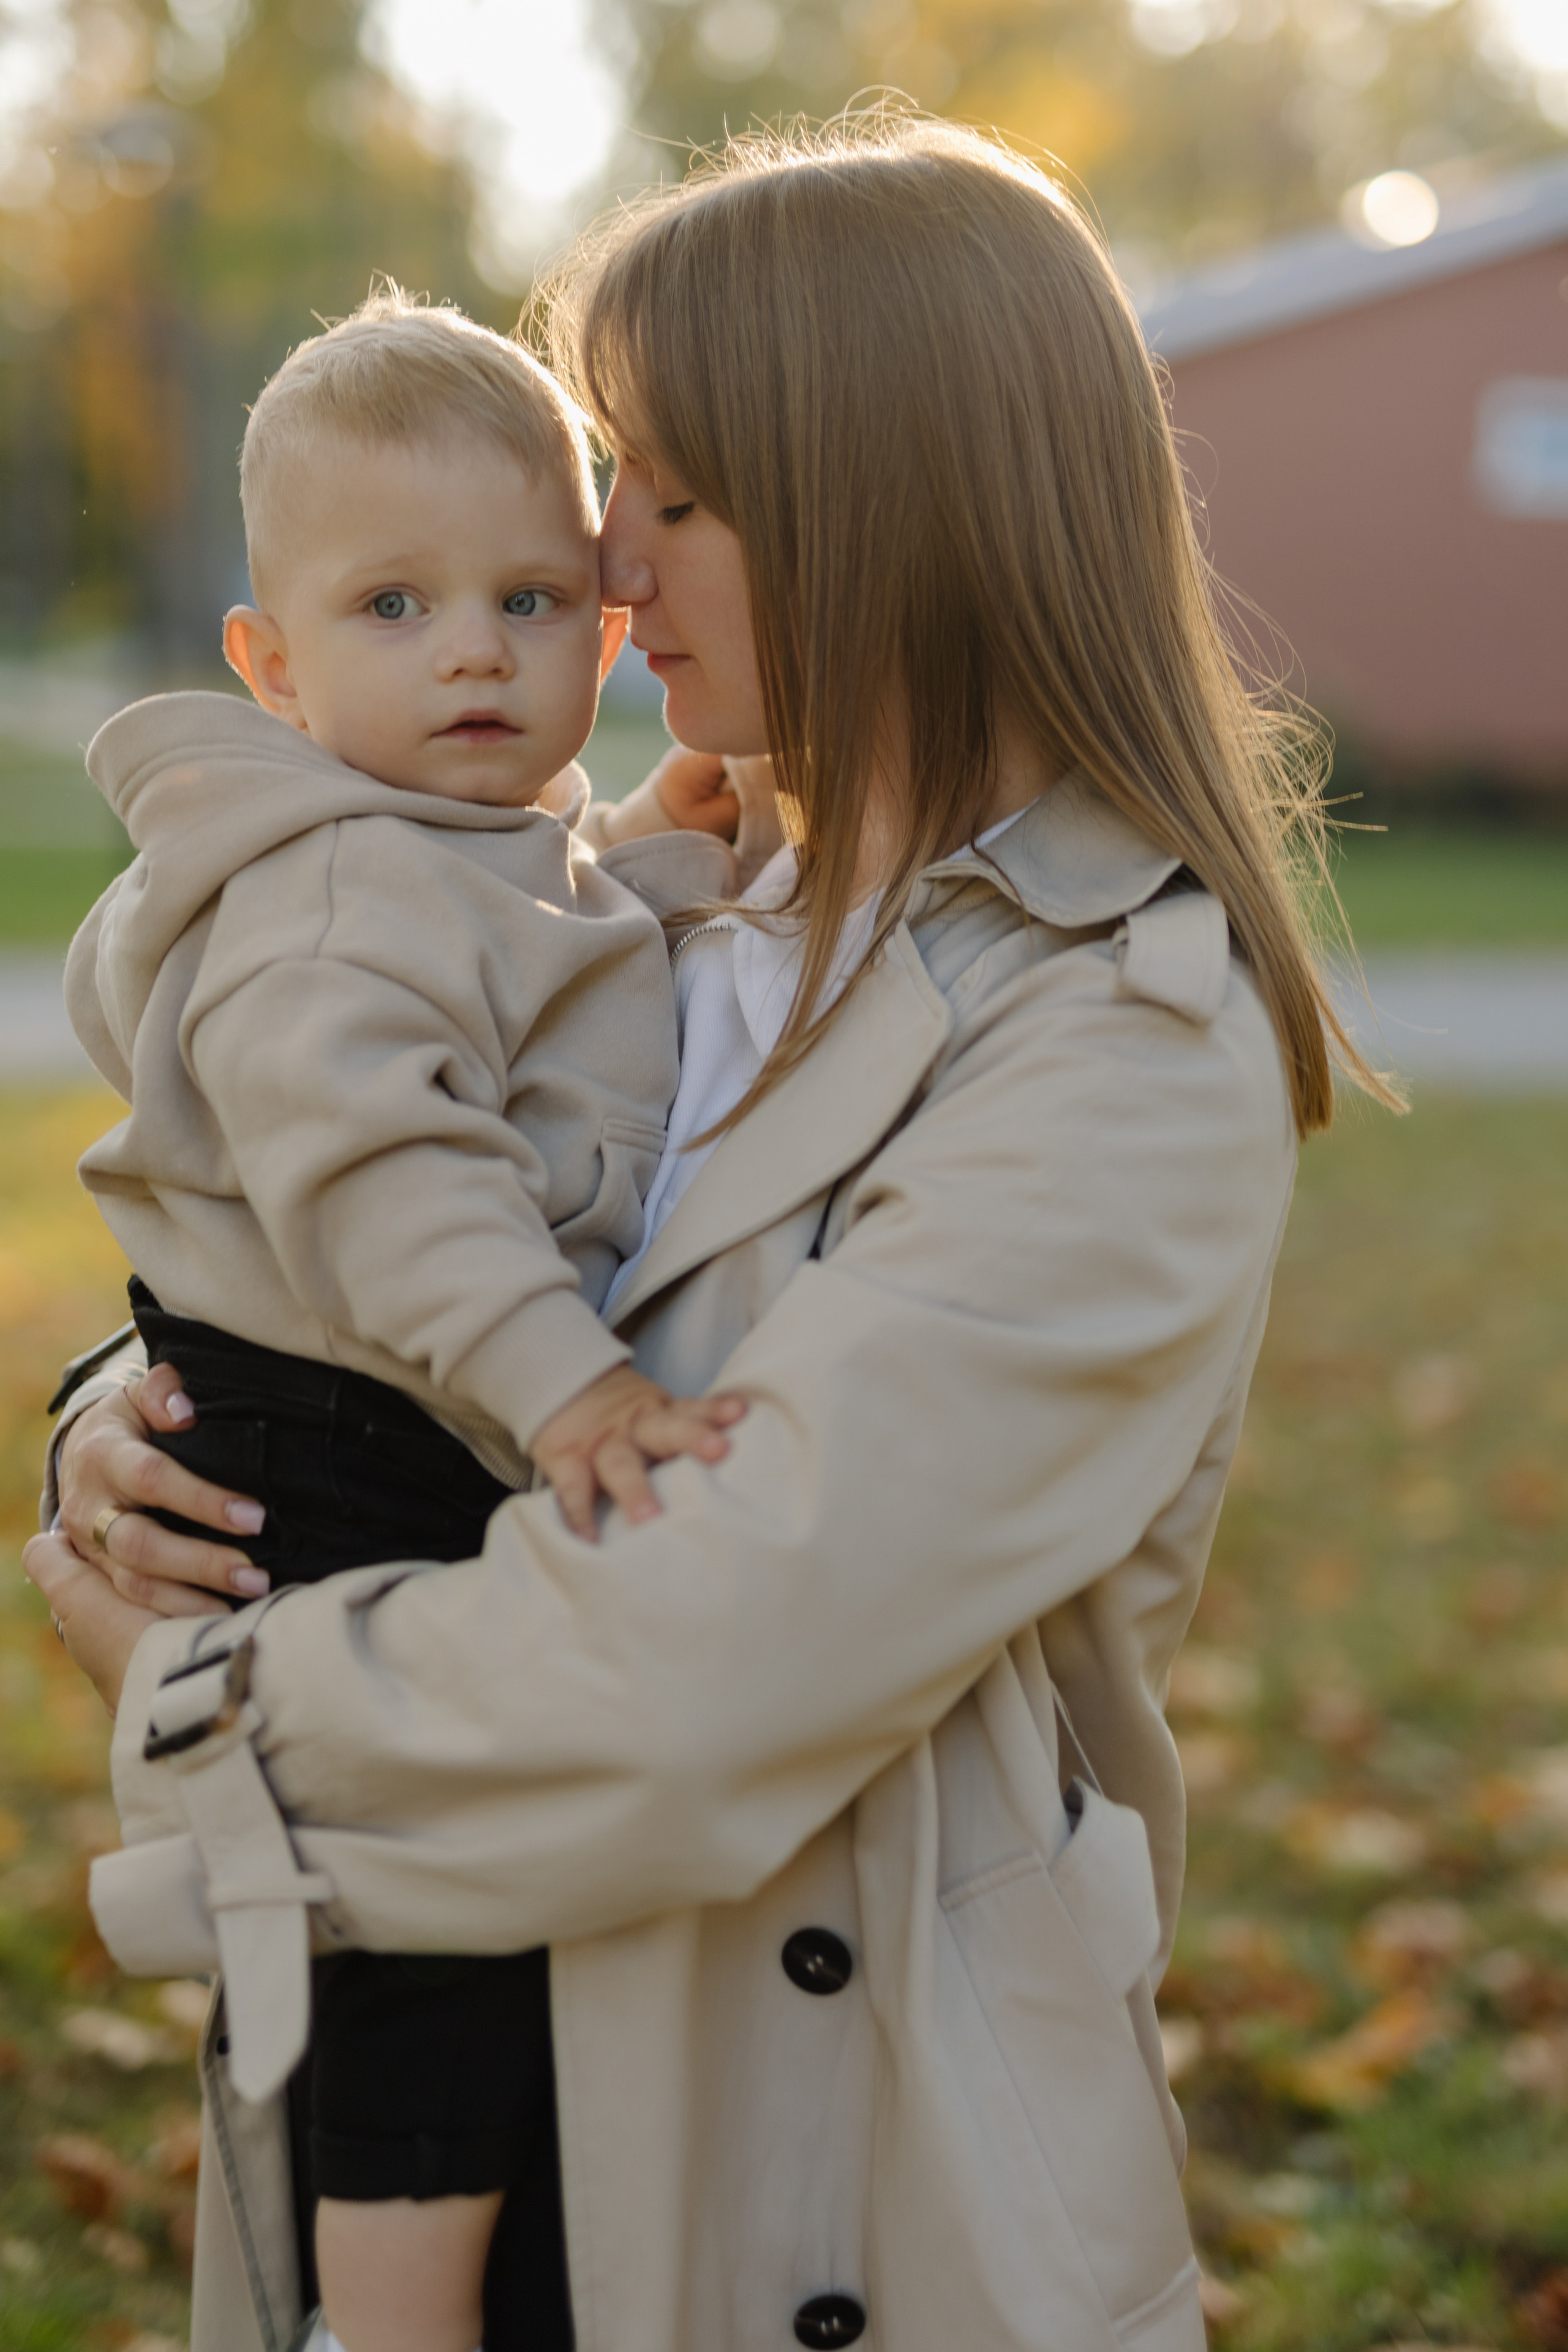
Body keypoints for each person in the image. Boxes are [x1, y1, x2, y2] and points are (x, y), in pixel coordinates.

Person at [28, 115, 1394, 2352]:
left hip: (825, 2165)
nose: (609, 566)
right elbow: (373, 1193)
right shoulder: (675, 899)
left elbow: (695, 1673)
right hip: (472, 2048)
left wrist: (202, 1699)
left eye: (664, 491)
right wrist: (142, 1418)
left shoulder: (1121, 1038)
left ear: (876, 497)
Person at [61, 289, 751, 2352]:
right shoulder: (331, 901)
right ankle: (389, 2321)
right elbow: (394, 1184)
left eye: (530, 597)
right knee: (417, 1907)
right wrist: (572, 1385)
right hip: (338, 1430)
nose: (473, 649)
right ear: (269, 668)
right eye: (393, 606)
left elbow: (541, 969)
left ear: (603, 636)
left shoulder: (459, 851)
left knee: (437, 1887)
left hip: (357, 1405)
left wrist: (659, 859)